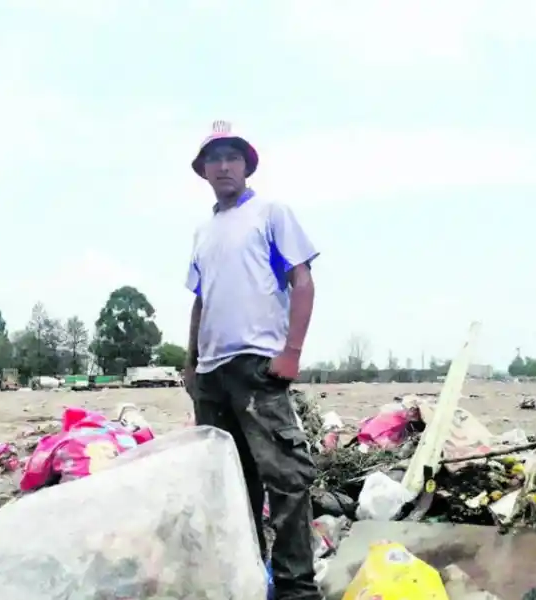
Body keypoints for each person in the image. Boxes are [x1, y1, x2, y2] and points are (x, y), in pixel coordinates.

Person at [184, 120, 322, 600]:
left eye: (232, 158)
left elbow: (302, 281)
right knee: (232, 486)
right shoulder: (203, 232)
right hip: (212, 375)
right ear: (203, 170)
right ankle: (246, 580)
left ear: (246, 166)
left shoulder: (270, 214)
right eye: (214, 159)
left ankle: (296, 587)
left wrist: (292, 352)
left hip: (257, 364)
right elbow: (200, 300)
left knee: (286, 478)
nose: (223, 166)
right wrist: (191, 364)